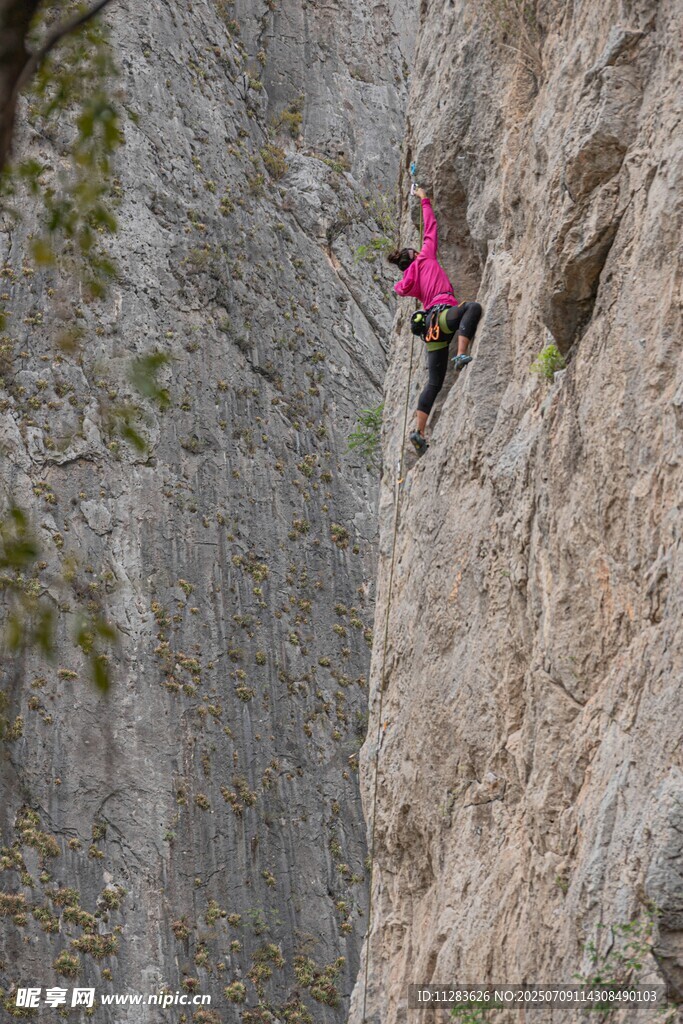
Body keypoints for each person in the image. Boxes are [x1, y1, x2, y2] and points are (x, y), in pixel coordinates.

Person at [387, 187, 482, 453]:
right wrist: (424, 198)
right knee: (471, 308)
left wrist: (407, 276)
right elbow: (430, 228)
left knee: (434, 383)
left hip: (430, 331)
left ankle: (418, 431)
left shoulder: (409, 282)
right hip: (442, 316)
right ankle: (461, 354)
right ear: (415, 255)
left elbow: (399, 288)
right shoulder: (425, 256)